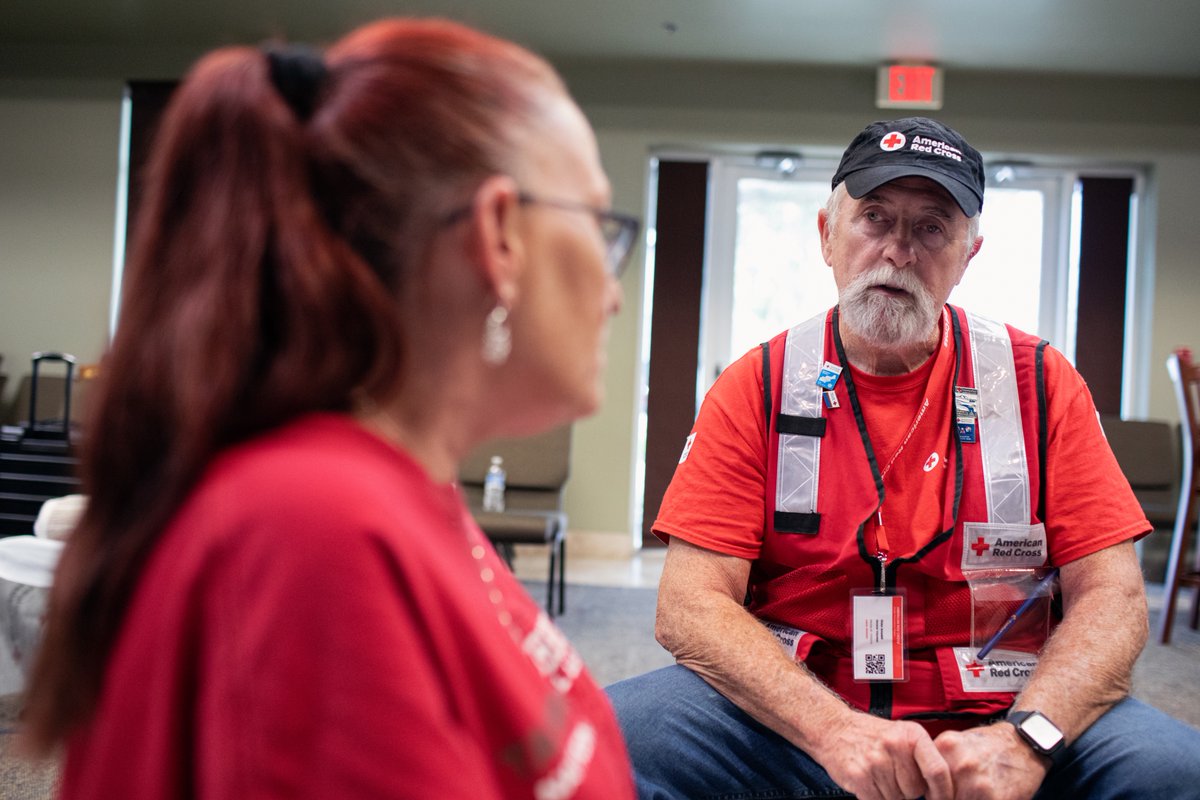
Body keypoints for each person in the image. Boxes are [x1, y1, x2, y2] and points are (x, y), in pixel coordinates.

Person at [22, 18, 639, 799]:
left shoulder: (400, 492)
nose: (615, 292)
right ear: (499, 238)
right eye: (598, 224)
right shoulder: (311, 526)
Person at [608, 117, 1200, 800]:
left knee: (1174, 771)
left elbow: (1114, 597)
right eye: (874, 218)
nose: (897, 251)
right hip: (798, 729)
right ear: (827, 236)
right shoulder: (756, 385)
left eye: (931, 228)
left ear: (969, 253)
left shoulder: (1040, 381)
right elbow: (690, 604)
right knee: (614, 739)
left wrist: (1028, 741)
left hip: (1005, 725)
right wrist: (832, 732)